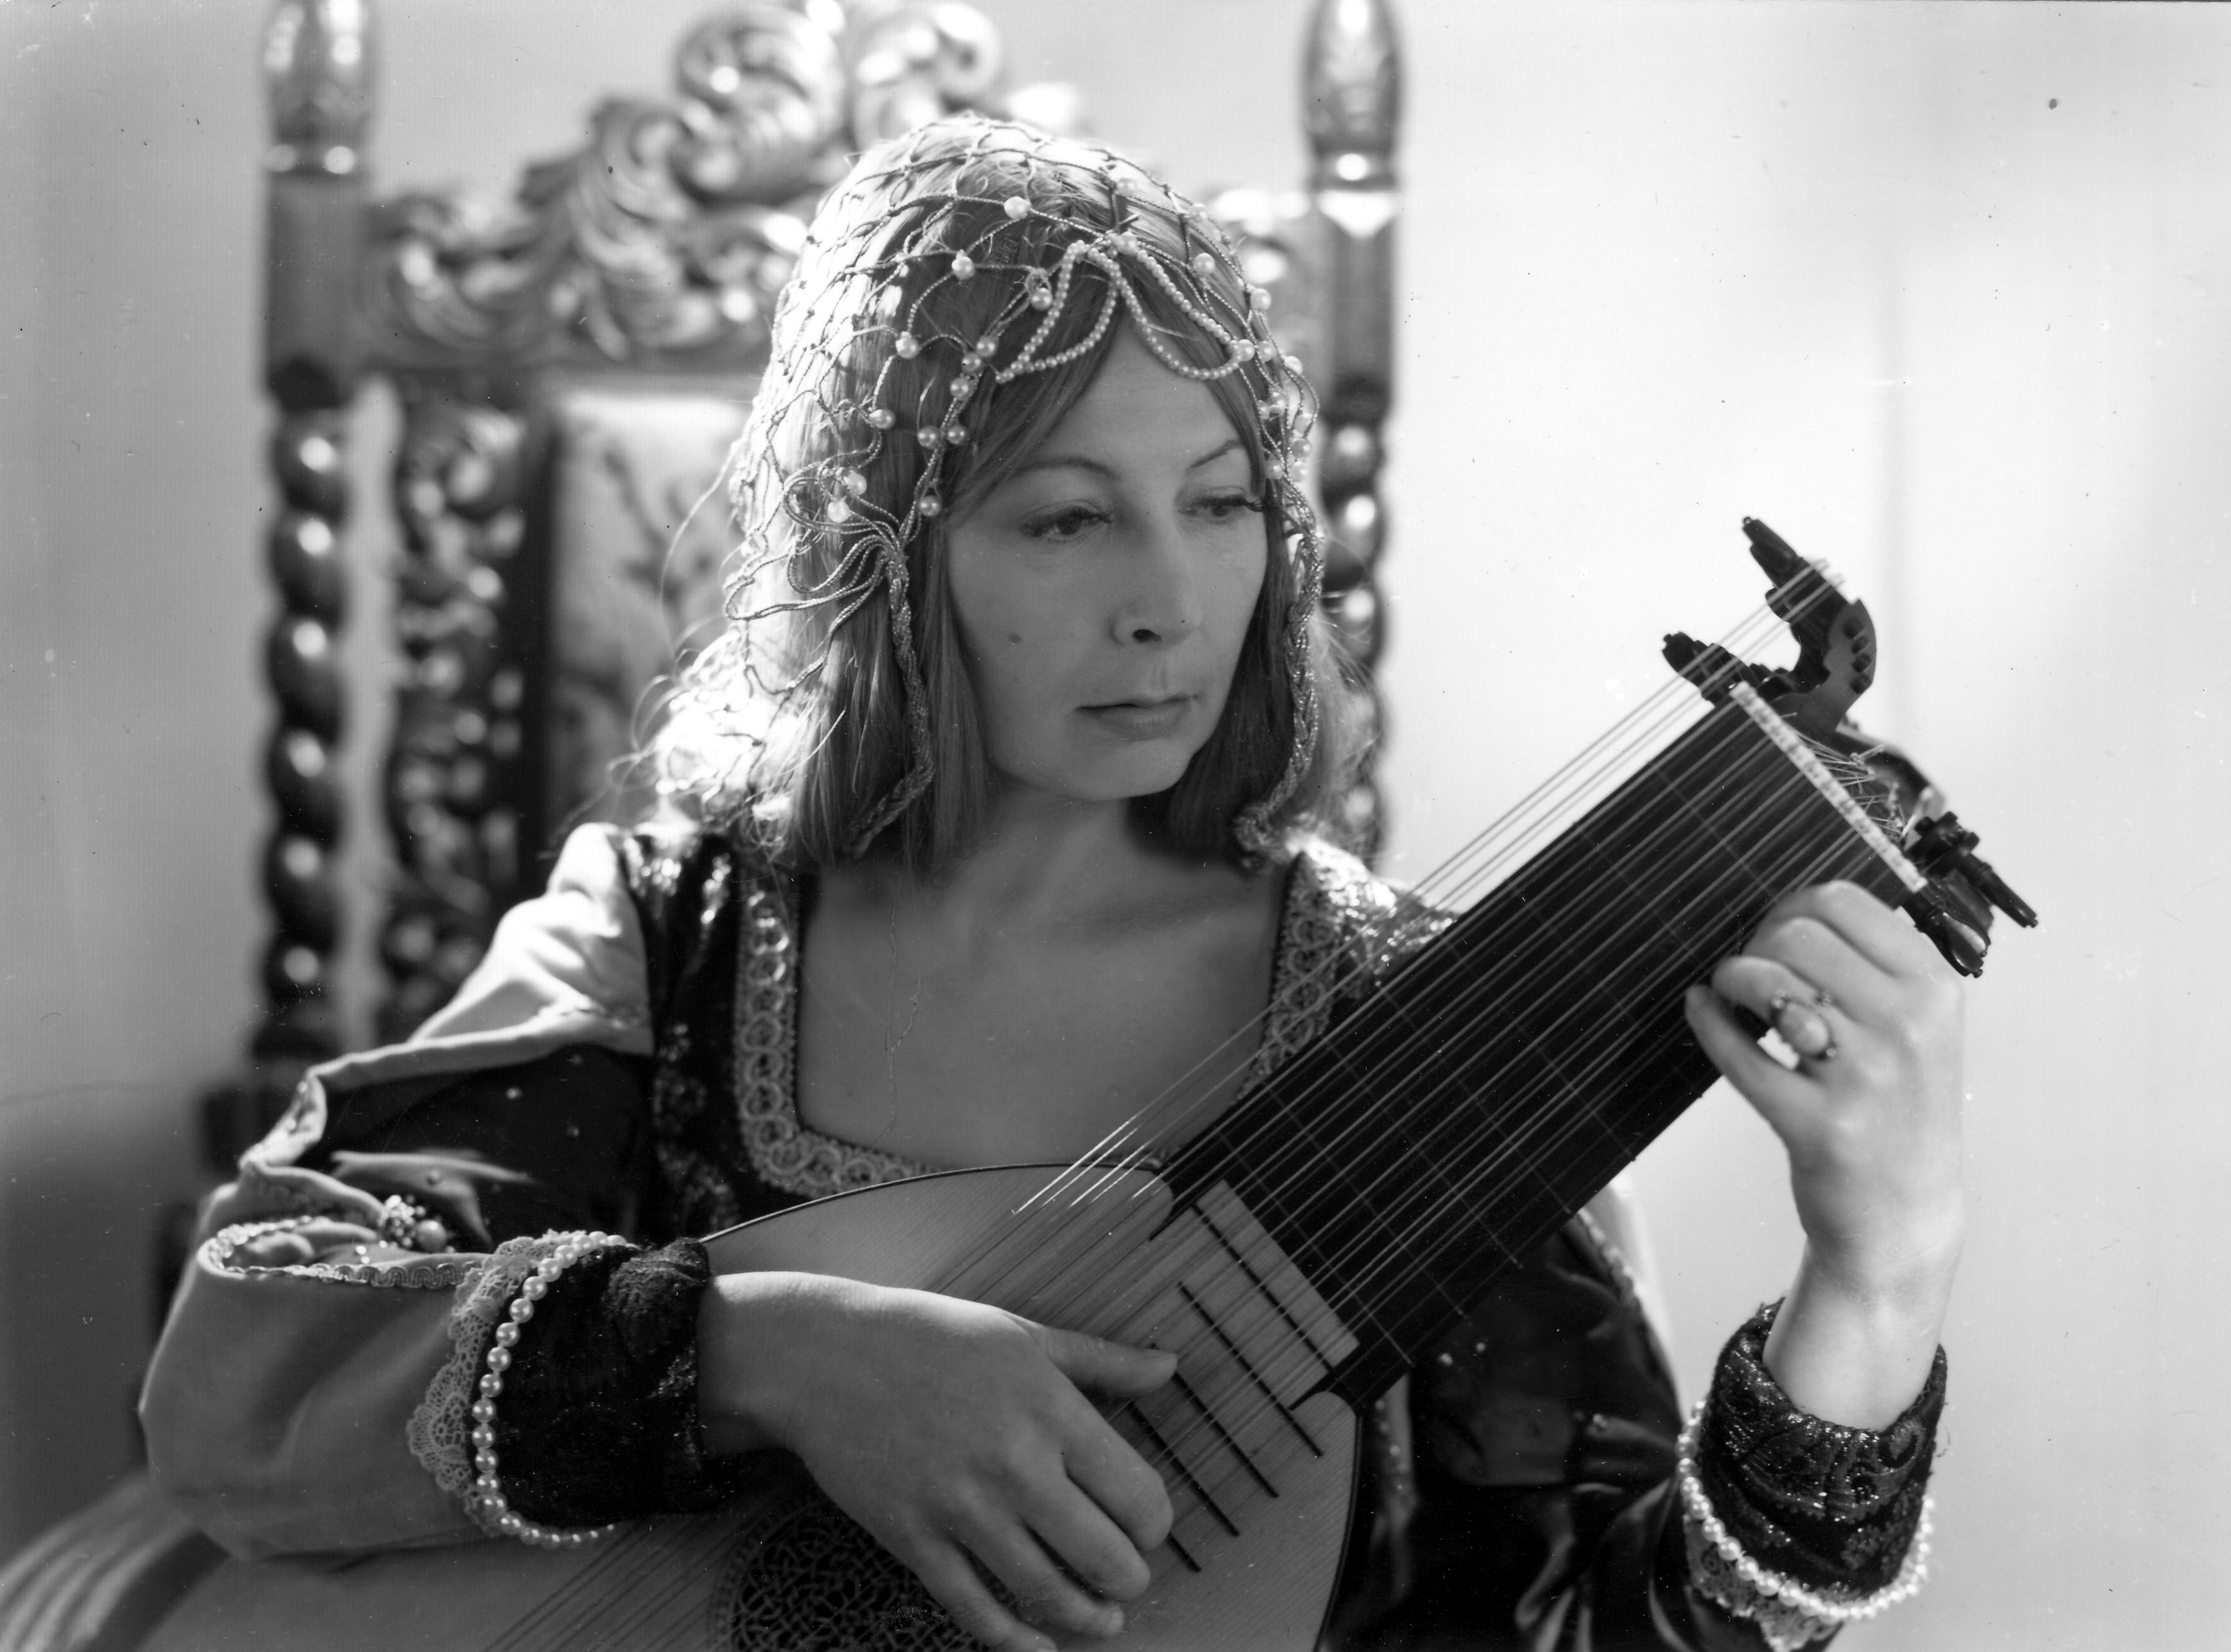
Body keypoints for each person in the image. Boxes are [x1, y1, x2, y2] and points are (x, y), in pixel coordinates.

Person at [142, 115, 1962, 1652]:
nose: (1170, 603)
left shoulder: (1414, 1041)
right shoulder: (669, 942)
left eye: (1224, 503)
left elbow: (1601, 1624)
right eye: (1070, 516)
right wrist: (765, 1353)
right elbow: (241, 1371)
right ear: (887, 559)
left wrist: (1876, 1278)